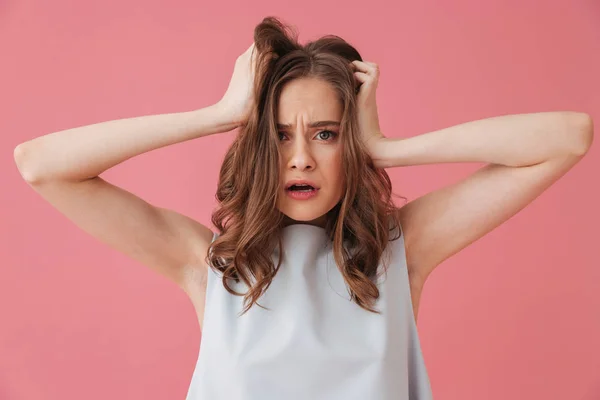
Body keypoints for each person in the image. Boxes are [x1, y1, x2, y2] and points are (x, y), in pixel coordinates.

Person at [13, 15, 593, 400]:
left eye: (324, 134)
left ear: (352, 141)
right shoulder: (210, 264)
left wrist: (390, 147)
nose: (300, 160)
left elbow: (568, 136)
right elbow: (40, 164)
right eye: (280, 135)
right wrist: (217, 114)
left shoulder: (400, 251)